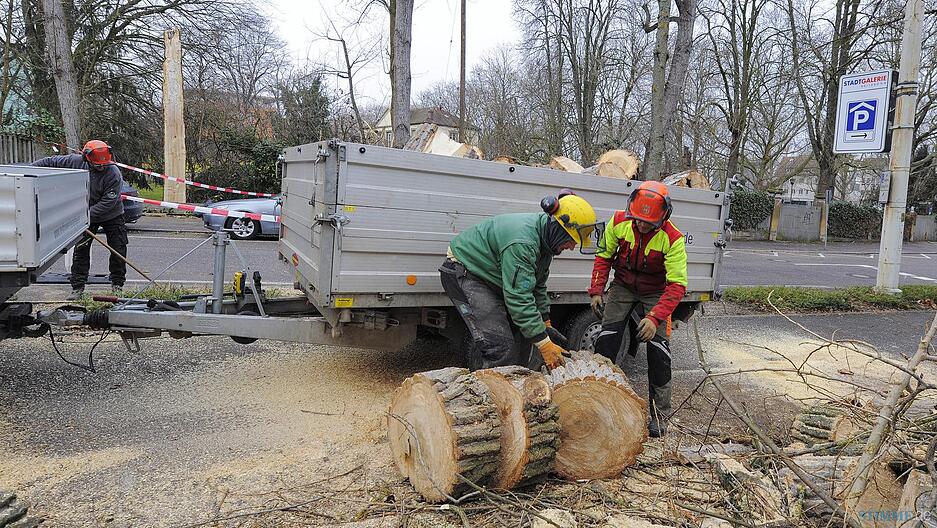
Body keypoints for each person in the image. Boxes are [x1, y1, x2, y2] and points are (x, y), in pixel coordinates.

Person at [440, 190, 603, 371]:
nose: (572, 247)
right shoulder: (524, 242)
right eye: (572, 240)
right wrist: (544, 344)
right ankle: (492, 394)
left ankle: (518, 385)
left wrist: (545, 322)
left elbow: (537, 285)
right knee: (499, 347)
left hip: (487, 276)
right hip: (465, 272)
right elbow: (518, 296)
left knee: (526, 336)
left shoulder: (545, 243)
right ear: (559, 229)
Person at [588, 181, 688, 437]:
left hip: (656, 290)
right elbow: (604, 256)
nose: (641, 225)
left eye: (647, 223)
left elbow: (677, 286)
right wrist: (597, 289)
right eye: (638, 221)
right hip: (622, 284)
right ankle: (598, 403)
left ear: (662, 217)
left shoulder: (673, 238)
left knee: (659, 352)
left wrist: (655, 318)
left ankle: (659, 415)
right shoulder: (619, 221)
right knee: (606, 341)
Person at [33, 140, 126, 300]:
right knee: (81, 250)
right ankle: (78, 287)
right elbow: (50, 162)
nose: (102, 167)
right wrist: (28, 170)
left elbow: (108, 202)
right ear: (87, 159)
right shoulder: (75, 162)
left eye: (104, 164)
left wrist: (85, 215)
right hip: (85, 213)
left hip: (112, 215)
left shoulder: (113, 173)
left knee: (118, 249)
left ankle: (117, 285)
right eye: (98, 165)